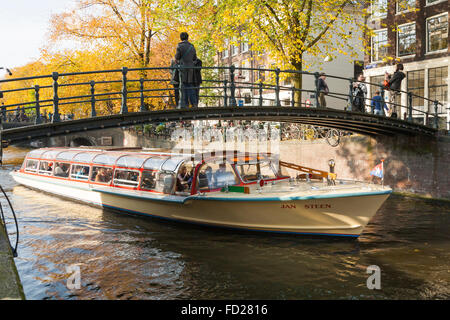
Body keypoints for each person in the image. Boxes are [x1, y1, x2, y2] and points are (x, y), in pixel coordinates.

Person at [174, 32, 198, 108]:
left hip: (183, 67)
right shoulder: (192, 46)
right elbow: (195, 58)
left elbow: (177, 57)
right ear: (187, 37)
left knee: (183, 85)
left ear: (181, 38)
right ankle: (194, 103)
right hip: (191, 68)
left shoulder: (180, 46)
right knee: (190, 84)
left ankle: (184, 103)